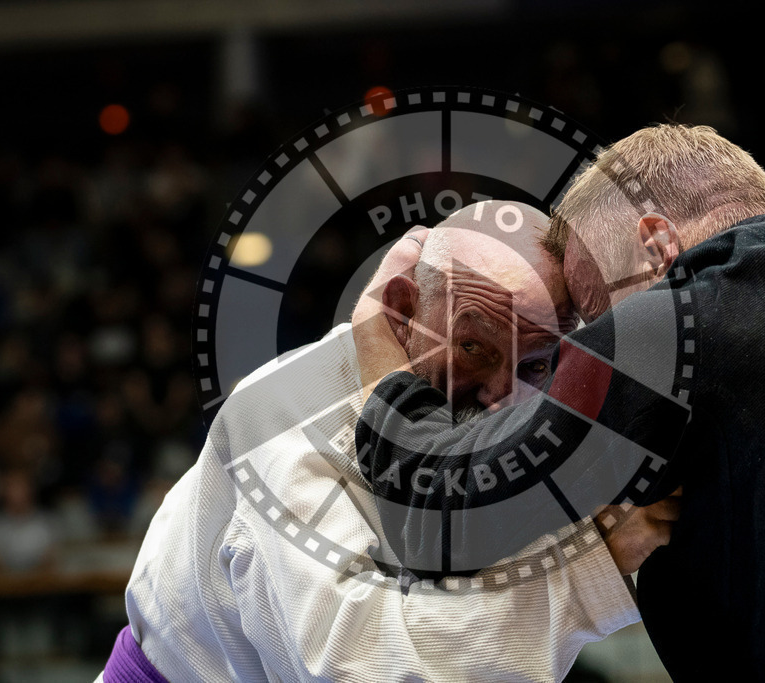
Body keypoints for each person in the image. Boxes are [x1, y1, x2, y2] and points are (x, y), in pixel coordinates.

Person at [353, 124, 765, 679]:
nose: (594, 343)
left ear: (656, 245)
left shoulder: (676, 318)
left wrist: (379, 344)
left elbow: (433, 512)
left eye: (596, 313)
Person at [97, 201, 666, 683]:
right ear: (402, 309)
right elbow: (360, 666)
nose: (501, 394)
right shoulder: (285, 424)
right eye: (475, 348)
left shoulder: (513, 416)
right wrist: (587, 568)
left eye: (536, 365)